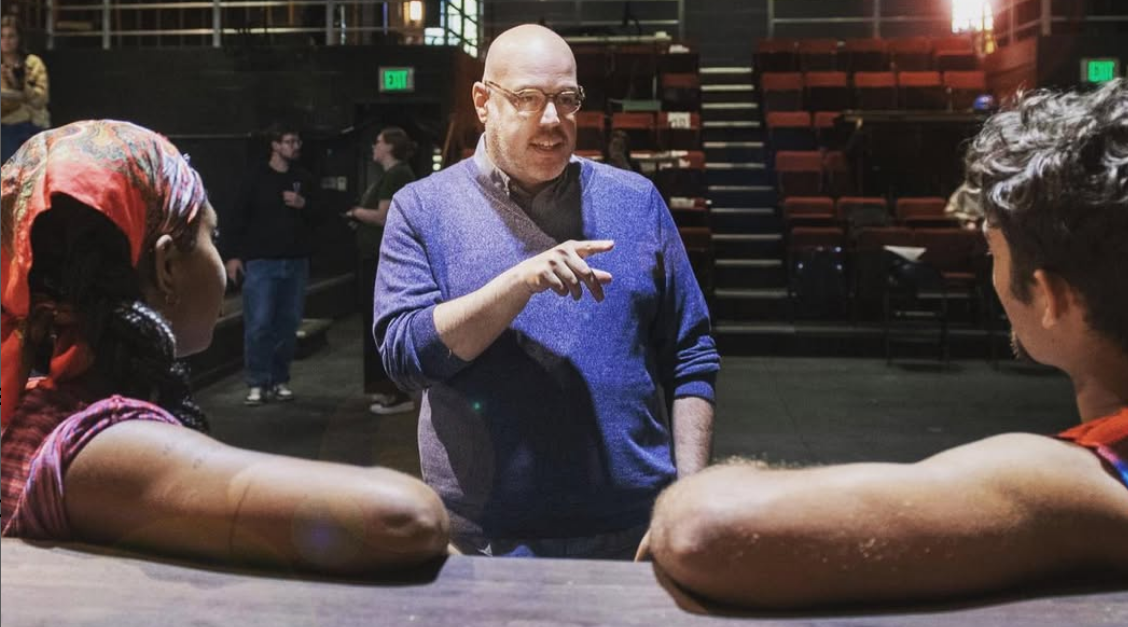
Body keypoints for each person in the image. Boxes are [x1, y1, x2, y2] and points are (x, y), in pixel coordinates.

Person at [638, 79, 1128, 607]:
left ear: (1050, 296)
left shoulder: (1099, 484)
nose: (993, 275)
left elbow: (703, 528)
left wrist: (693, 488)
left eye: (994, 251)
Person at [1, 120, 449, 572]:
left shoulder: (25, 401)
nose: (217, 256)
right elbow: (406, 519)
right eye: (210, 237)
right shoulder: (90, 444)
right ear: (167, 267)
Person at [375, 24, 720, 559]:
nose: (554, 120)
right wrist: (517, 283)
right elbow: (406, 359)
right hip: (484, 539)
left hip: (633, 530)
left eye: (566, 99)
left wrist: (688, 499)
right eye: (528, 100)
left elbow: (691, 357)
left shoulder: (636, 201)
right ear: (483, 102)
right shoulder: (422, 208)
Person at [219, 124, 318, 406]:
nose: (295, 146)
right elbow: (235, 217)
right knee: (259, 324)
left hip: (295, 261)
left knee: (287, 325)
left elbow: (321, 215)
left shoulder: (303, 178)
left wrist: (304, 204)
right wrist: (233, 256)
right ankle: (257, 381)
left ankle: (280, 379)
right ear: (275, 145)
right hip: (262, 262)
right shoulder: (255, 179)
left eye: (297, 140)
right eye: (289, 140)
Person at [345, 126, 418, 416]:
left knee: (382, 326)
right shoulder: (391, 176)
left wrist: (355, 213)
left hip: (380, 261)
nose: (374, 146)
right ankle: (389, 390)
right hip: (374, 258)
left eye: (377, 141)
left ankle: (394, 392)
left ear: (389, 147)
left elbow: (383, 216)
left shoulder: (397, 175)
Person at [0, 16, 49, 163]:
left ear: (19, 38)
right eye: (2, 36)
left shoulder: (33, 63)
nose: (6, 41)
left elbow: (41, 99)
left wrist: (19, 85)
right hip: (7, 127)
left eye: (11, 36)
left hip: (35, 124)